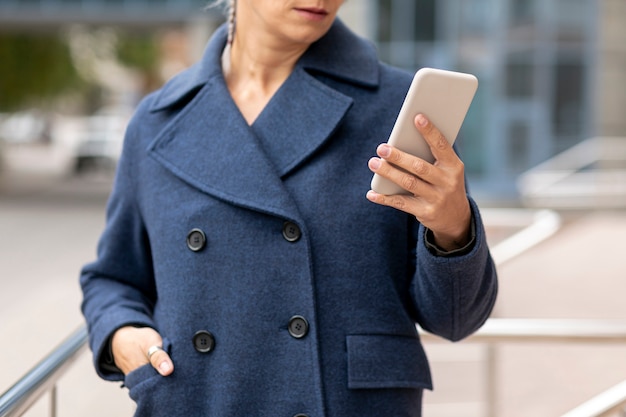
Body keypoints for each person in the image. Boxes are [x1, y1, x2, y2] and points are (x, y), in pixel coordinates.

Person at [80, 1, 498, 416]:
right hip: (200, 400)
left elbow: (456, 320)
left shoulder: (399, 110)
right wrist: (121, 336)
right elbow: (113, 277)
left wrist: (452, 228)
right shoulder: (157, 120)